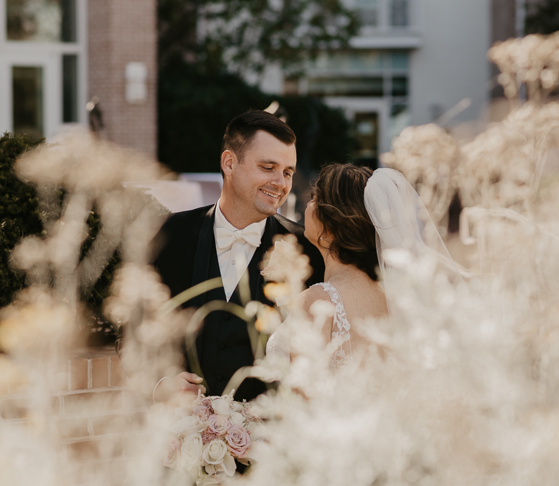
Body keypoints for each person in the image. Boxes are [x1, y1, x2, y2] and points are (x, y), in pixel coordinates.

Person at [151, 110, 325, 402]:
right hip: (178, 438)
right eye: (268, 167)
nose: (281, 183)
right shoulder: (169, 234)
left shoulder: (306, 251)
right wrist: (159, 385)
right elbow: (133, 332)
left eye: (287, 172)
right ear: (229, 163)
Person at [266, 163, 462, 366]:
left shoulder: (316, 303)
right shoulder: (396, 297)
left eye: (315, 198)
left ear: (330, 226)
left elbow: (303, 393)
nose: (308, 203)